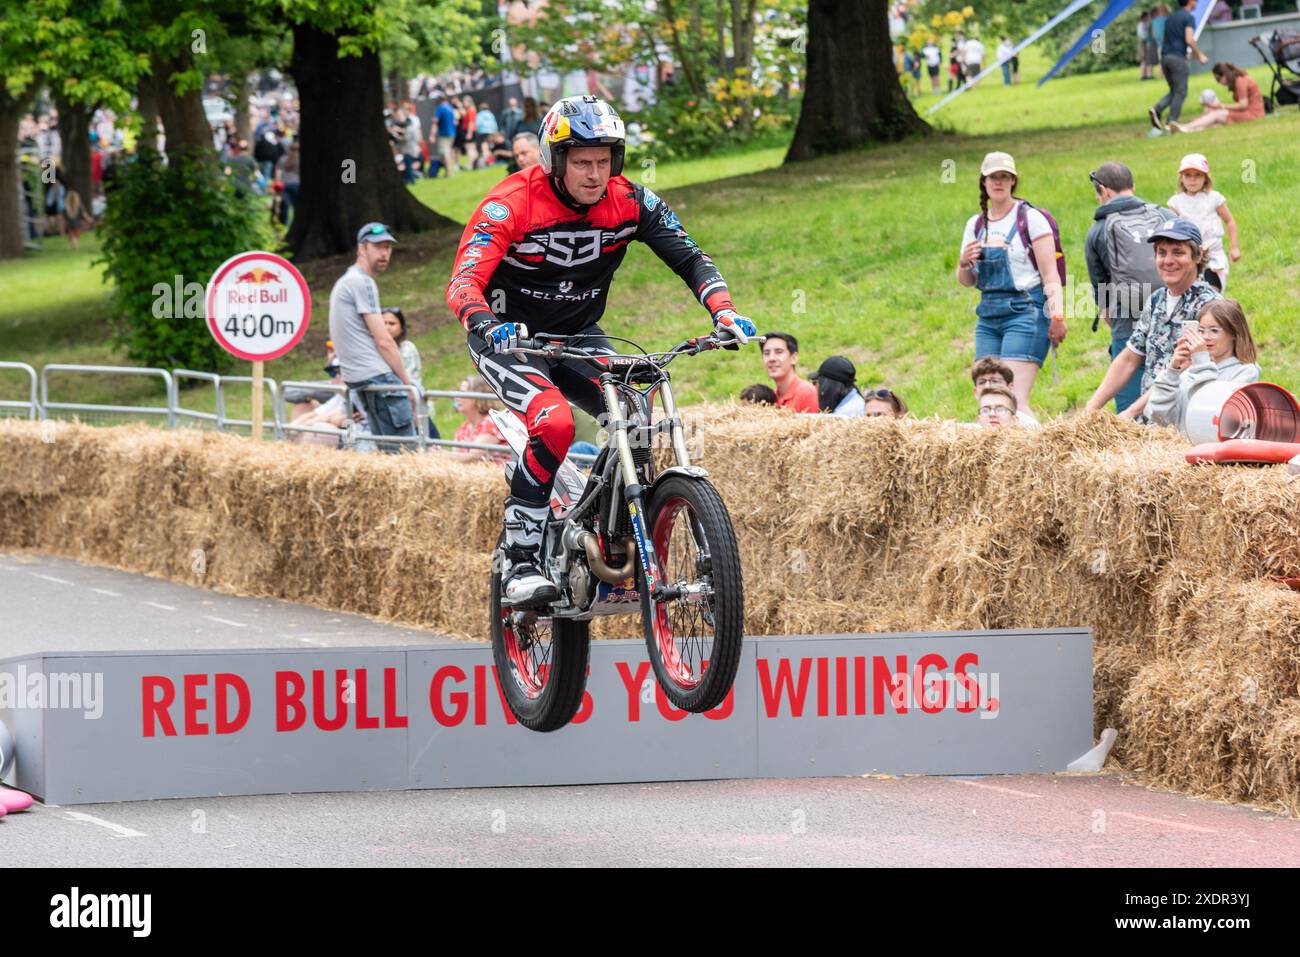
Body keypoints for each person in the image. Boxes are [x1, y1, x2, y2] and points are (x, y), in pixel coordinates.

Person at [445, 94, 754, 606]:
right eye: (582, 162)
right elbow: (463, 281)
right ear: (554, 161)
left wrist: (723, 311)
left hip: (578, 336)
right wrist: (484, 322)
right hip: (508, 340)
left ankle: (605, 532)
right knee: (555, 423)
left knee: (637, 410)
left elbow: (691, 257)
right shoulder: (509, 203)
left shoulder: (631, 200)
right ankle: (521, 561)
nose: (594, 174)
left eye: (604, 160)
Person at [956, 152, 1065, 417]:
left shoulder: (1031, 218)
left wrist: (1057, 315)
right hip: (988, 317)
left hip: (1025, 312)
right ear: (984, 181)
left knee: (1013, 399)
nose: (999, 182)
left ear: (1013, 181)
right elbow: (968, 281)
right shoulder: (976, 224)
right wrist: (963, 263)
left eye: (1005, 177)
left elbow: (1051, 274)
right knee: (988, 399)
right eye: (994, 177)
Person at [1084, 218, 1221, 419]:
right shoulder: (1157, 299)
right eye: (1161, 252)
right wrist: (1090, 410)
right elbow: (1129, 358)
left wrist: (1131, 412)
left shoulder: (1210, 306)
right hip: (1151, 421)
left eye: (1178, 252)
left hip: (1184, 422)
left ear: (1198, 256)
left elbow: (1186, 369)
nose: (1168, 261)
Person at [1084, 161, 1175, 414]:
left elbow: (1099, 284)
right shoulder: (1165, 216)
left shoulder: (1098, 230)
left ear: (1103, 190)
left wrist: (1106, 311)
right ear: (1132, 186)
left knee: (1128, 395)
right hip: (1172, 313)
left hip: (1127, 318)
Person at [329, 223, 418, 451]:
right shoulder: (362, 282)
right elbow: (385, 341)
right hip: (378, 377)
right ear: (362, 248)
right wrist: (407, 385)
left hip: (360, 379)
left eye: (388, 247)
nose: (384, 253)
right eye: (378, 247)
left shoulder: (345, 281)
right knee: (406, 456)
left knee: (388, 457)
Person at [1147, 298, 1259, 436]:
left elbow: (1209, 417)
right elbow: (1159, 417)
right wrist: (1172, 371)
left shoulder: (1245, 372)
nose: (1205, 337)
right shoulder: (1190, 372)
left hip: (1213, 454)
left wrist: (1201, 361)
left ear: (1234, 333)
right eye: (1201, 331)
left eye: (1214, 330)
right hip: (1179, 452)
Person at [1167, 153, 1240, 291]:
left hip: (1213, 255)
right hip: (1189, 257)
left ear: (1205, 178)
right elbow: (1171, 231)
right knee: (1192, 295)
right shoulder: (1175, 203)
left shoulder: (1214, 198)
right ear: (1181, 178)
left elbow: (1229, 221)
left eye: (1197, 175)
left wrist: (1234, 246)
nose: (1192, 180)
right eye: (1187, 175)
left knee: (1212, 292)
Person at [1149, 0, 1208, 135]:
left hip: (1165, 57)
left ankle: (1157, 110)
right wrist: (1199, 55)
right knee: (1181, 91)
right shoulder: (1188, 17)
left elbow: (1166, 39)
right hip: (1177, 59)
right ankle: (1171, 122)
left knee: (1174, 90)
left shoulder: (1170, 17)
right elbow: (1189, 40)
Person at [1168, 62, 1266, 133]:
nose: (1219, 83)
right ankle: (1190, 129)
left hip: (1254, 115)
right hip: (1250, 113)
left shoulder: (1240, 81)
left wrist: (1220, 106)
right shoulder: (1239, 80)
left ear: (1225, 75)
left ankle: (1186, 127)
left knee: (1216, 115)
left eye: (1219, 79)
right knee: (1216, 124)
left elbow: (1243, 105)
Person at [452, 374, 511, 463]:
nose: (457, 397)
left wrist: (439, 455)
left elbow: (470, 457)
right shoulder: (464, 428)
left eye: (463, 393)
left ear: (478, 397)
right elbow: (455, 457)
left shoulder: (492, 423)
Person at [968, 357, 1040, 427]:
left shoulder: (1028, 425)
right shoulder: (972, 429)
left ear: (1010, 387)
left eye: (995, 381)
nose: (987, 386)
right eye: (982, 382)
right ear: (975, 392)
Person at [760, 332, 818, 413]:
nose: (771, 358)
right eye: (766, 353)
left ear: (793, 358)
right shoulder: (771, 396)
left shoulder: (806, 393)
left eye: (779, 352)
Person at [432, 96, 457, 177]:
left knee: (444, 153)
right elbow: (455, 122)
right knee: (447, 152)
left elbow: (435, 121)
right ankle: (450, 170)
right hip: (452, 133)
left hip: (444, 134)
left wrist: (432, 135)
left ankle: (449, 172)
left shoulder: (440, 108)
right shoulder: (450, 108)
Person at [1138, 12, 1154, 81]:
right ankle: (1147, 75)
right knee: (1146, 59)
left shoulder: (1146, 24)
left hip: (1147, 42)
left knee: (1146, 59)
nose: (1149, 18)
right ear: (1144, 17)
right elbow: (1142, 35)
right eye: (1147, 16)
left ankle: (1145, 75)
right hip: (1144, 43)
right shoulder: (1141, 24)